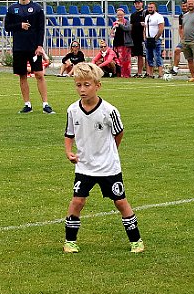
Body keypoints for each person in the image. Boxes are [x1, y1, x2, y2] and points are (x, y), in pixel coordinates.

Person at [62, 62, 144, 254]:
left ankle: (136, 241)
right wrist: (69, 152)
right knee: (77, 202)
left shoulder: (109, 110)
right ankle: (70, 242)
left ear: (98, 85)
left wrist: (111, 151)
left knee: (121, 202)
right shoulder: (72, 110)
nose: (82, 89)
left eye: (87, 85)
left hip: (109, 167)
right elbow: (69, 134)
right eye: (78, 85)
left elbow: (119, 133)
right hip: (84, 167)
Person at [4, 0, 55, 114]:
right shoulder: (12, 9)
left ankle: (45, 104)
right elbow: (7, 27)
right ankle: (27, 104)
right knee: (22, 75)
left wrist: (39, 46)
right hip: (19, 47)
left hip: (33, 48)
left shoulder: (37, 8)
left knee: (39, 74)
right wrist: (19, 25)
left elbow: (41, 28)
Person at [144, 2, 165, 78]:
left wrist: (156, 38)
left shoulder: (159, 17)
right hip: (148, 39)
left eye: (151, 7)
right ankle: (150, 74)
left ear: (155, 8)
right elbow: (145, 28)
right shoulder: (147, 17)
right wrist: (145, 37)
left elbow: (161, 28)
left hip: (156, 39)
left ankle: (160, 74)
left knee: (157, 56)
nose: (150, 9)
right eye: (149, 8)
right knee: (149, 57)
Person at [110, 8, 133, 78]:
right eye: (118, 15)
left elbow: (128, 28)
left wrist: (120, 25)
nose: (119, 16)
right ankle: (118, 73)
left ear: (124, 15)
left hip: (125, 43)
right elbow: (111, 32)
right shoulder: (114, 22)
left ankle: (126, 74)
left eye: (121, 15)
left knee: (126, 60)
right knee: (118, 59)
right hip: (117, 43)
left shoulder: (127, 22)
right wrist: (113, 30)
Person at [169, 0, 189, 76]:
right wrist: (181, 37)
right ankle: (175, 69)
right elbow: (180, 27)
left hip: (192, 38)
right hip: (184, 39)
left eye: (185, 6)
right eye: (183, 6)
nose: (184, 7)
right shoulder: (181, 16)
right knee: (177, 50)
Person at [130, 0, 147, 77]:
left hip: (143, 37)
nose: (137, 5)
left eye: (138, 3)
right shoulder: (133, 15)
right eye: (135, 3)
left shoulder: (145, 13)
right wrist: (139, 24)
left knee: (145, 55)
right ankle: (139, 72)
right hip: (135, 37)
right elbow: (132, 25)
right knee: (138, 55)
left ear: (142, 4)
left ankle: (148, 72)